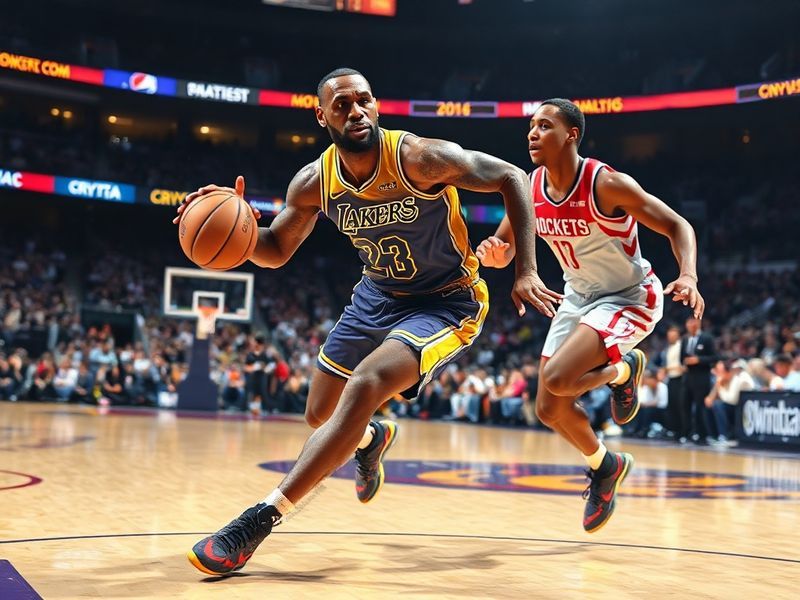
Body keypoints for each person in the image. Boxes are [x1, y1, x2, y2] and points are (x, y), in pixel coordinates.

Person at [174, 68, 557, 576]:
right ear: (321, 115)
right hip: (376, 295)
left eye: (364, 101)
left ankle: (258, 519)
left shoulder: (419, 157)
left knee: (369, 381)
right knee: (319, 413)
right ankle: (370, 439)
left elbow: (512, 176)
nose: (355, 111)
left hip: (447, 300)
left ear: (375, 106)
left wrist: (526, 269)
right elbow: (274, 250)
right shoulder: (314, 182)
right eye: (342, 105)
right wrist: (239, 227)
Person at [476, 98, 704, 532]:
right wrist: (493, 253)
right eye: (531, 126)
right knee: (548, 408)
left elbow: (678, 226)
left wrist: (688, 275)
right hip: (579, 297)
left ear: (571, 135)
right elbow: (505, 253)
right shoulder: (528, 188)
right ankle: (604, 464)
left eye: (545, 125)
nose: (533, 133)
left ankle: (622, 371)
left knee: (559, 380)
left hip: (628, 296)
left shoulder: (607, 184)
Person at [681, 316, 717, 443]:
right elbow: (682, 358)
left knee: (701, 408)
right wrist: (684, 363)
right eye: (689, 321)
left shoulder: (707, 338)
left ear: (699, 322)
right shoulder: (685, 339)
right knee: (685, 406)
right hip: (688, 378)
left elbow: (714, 357)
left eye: (694, 321)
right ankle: (687, 434)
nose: (691, 324)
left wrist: (699, 360)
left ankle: (703, 435)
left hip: (702, 378)